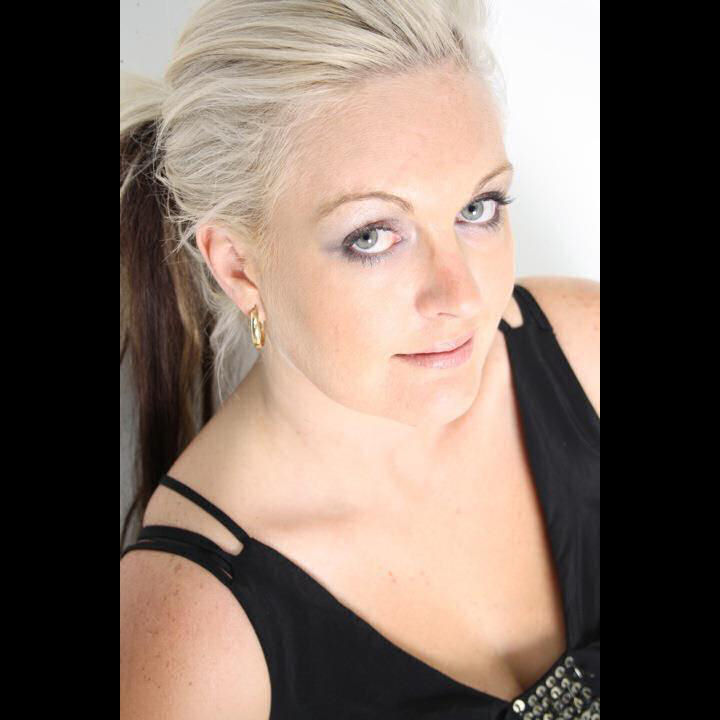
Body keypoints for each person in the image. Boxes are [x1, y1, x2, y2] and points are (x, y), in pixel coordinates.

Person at [120, 1, 600, 718]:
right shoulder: (192, 639)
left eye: (477, 208)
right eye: (372, 235)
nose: (462, 296)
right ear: (239, 266)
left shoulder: (586, 350)